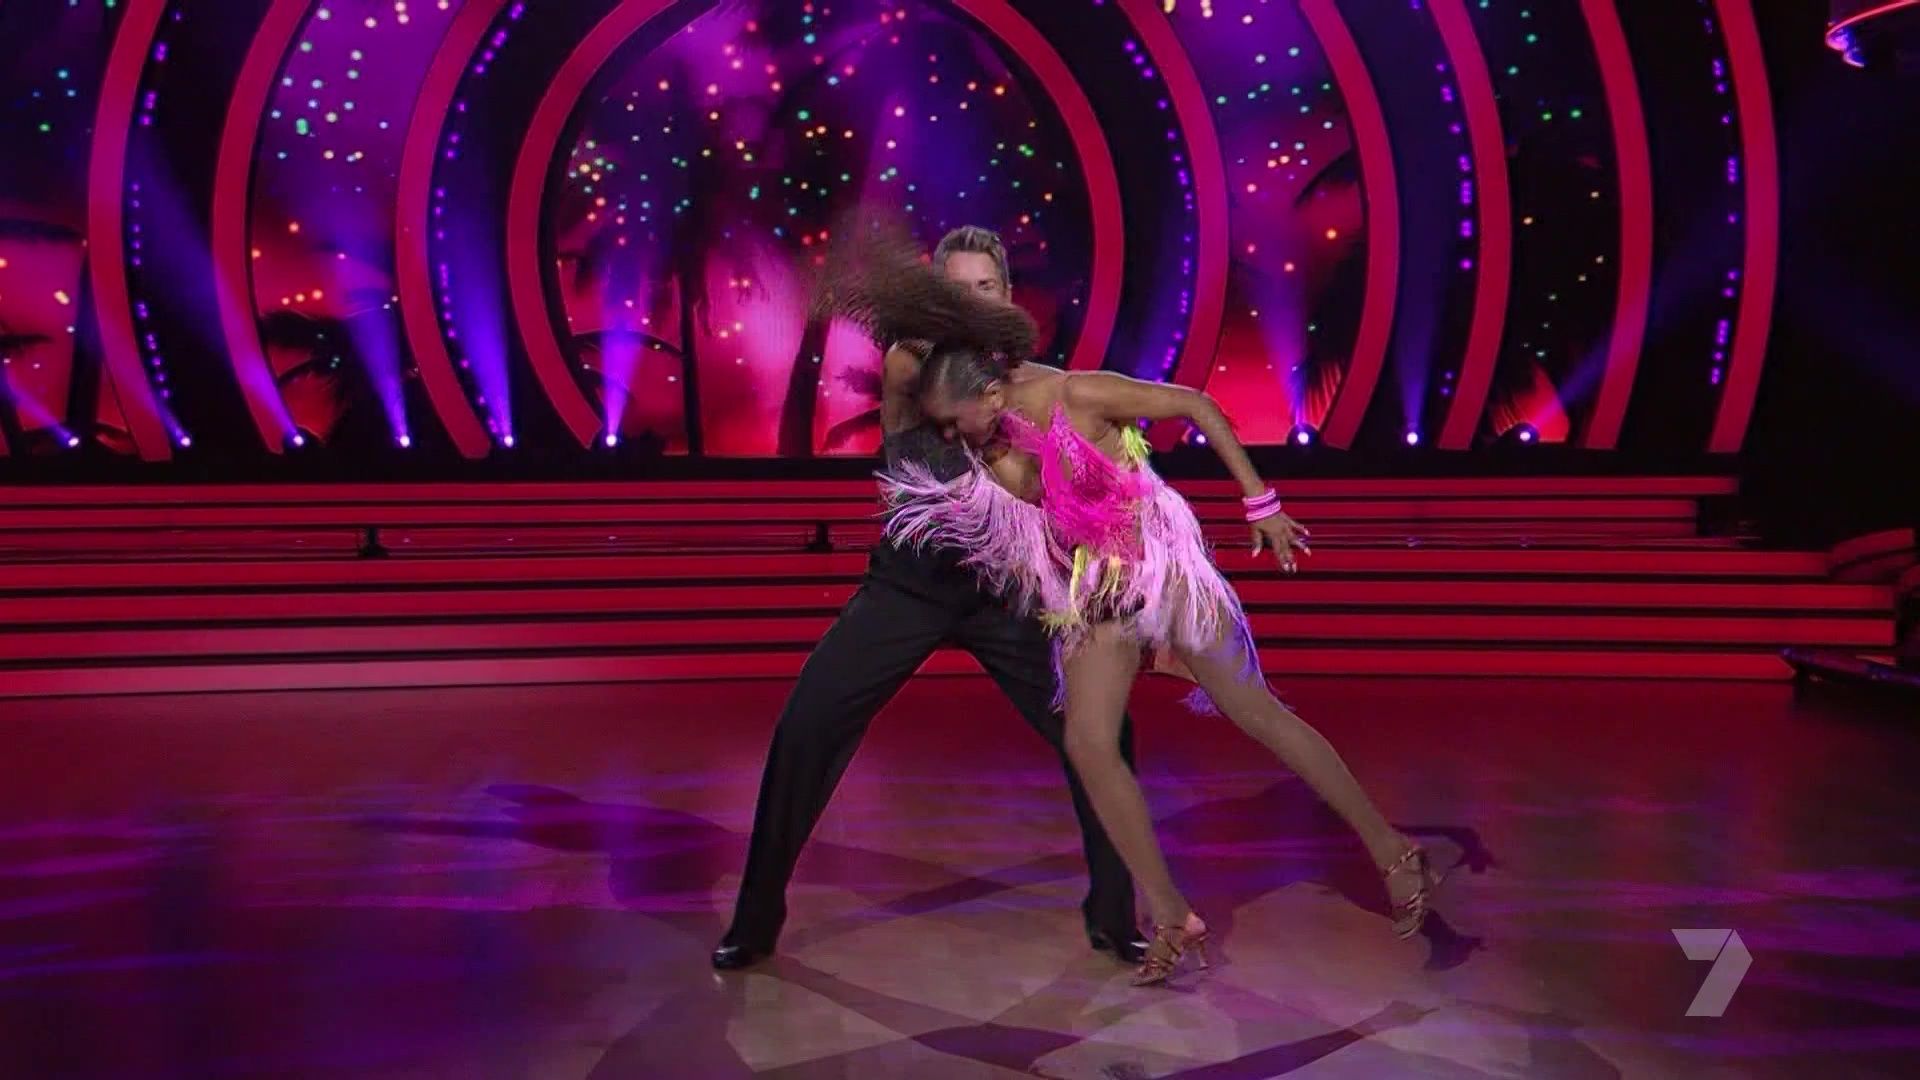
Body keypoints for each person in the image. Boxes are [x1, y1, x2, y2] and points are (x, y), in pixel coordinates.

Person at [824, 228, 1441, 987]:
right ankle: (1174, 915)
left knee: (1257, 713)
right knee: (1088, 740)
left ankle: (1393, 852)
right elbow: (971, 495)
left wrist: (1262, 503)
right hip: (1095, 588)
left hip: (1161, 565)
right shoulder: (977, 430)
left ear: (992, 379)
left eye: (956, 424)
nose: (953, 438)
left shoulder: (1075, 392)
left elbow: (1197, 404)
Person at [711, 226, 1148, 971]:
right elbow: (945, 468)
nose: (971, 302)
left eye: (985, 288)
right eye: (955, 290)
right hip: (911, 583)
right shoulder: (910, 364)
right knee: (809, 723)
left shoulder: (1041, 384)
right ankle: (756, 917)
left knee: (1103, 730)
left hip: (1005, 591)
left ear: (1006, 296)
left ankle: (1113, 911)